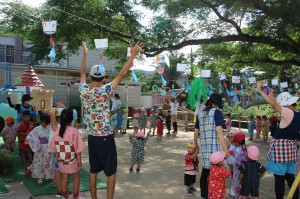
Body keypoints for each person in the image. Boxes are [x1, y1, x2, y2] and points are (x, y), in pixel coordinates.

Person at [79, 41, 143, 199]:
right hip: (106, 139)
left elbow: (80, 74)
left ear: (90, 76)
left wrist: (85, 53)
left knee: (93, 170)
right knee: (110, 172)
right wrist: (133, 55)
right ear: (103, 78)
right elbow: (121, 74)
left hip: (92, 138)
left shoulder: (84, 91)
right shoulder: (105, 90)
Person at [254, 82, 300, 199]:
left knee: (279, 179)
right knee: (291, 178)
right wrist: (270, 94)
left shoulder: (288, 113)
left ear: (287, 104)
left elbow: (274, 104)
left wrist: (260, 91)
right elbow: (274, 102)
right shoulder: (297, 113)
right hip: (291, 148)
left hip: (281, 149)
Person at [193, 93, 228, 199]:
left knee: (205, 172)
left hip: (205, 149)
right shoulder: (217, 112)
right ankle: (215, 194)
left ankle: (204, 196)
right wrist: (225, 148)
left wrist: (196, 144)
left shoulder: (200, 114)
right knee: (216, 174)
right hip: (215, 150)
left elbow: (195, 132)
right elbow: (219, 131)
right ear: (215, 104)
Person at [49, 108, 86, 199]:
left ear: (60, 119)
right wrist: (79, 159)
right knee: (76, 177)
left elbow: (55, 146)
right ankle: (75, 196)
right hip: (72, 160)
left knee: (64, 177)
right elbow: (78, 147)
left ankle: (65, 195)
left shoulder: (58, 130)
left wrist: (57, 157)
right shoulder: (73, 131)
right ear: (71, 119)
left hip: (62, 160)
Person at [26, 114, 52, 184]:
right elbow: (30, 136)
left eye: (47, 123)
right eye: (44, 123)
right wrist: (29, 139)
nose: (45, 125)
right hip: (39, 148)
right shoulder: (37, 129)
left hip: (48, 148)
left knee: (48, 163)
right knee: (39, 163)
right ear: (40, 121)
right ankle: (40, 177)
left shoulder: (50, 128)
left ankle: (49, 175)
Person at [49, 106, 64, 197]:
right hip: (58, 152)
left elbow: (52, 112)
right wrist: (56, 107)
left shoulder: (58, 126)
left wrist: (56, 107)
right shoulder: (57, 126)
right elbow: (52, 113)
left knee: (60, 172)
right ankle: (60, 191)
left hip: (59, 151)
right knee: (59, 172)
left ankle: (61, 191)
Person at [230, 132, 247, 198]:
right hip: (244, 167)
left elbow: (235, 161)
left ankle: (236, 194)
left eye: (235, 142)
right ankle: (243, 194)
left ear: (237, 142)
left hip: (238, 167)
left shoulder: (237, 150)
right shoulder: (244, 147)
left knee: (237, 180)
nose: (234, 143)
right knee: (242, 180)